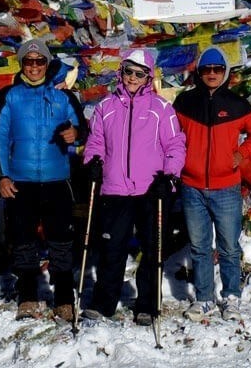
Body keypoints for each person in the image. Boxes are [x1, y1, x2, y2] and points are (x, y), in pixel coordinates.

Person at [81, 49, 187, 326]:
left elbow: (175, 145)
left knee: (152, 250)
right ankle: (104, 303)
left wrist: (170, 175)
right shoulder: (105, 107)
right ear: (121, 72)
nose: (132, 78)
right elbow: (96, 143)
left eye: (139, 73)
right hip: (114, 190)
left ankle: (146, 305)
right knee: (111, 248)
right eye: (128, 71)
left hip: (151, 190)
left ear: (148, 77)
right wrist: (93, 161)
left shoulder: (161, 109)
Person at [0, 39, 88, 322]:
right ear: (22, 64)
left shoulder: (62, 97)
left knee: (61, 242)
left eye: (39, 61)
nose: (34, 67)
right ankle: (28, 297)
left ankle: (65, 299)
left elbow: (83, 128)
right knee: (23, 243)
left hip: (57, 181)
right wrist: (2, 176)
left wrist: (75, 134)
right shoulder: (8, 96)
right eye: (29, 62)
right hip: (21, 181)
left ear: (46, 64)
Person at [174, 47, 251, 322]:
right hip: (192, 187)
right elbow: (171, 136)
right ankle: (204, 300)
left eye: (217, 69)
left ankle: (231, 297)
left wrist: (241, 154)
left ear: (225, 72)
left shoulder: (237, 104)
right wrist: (178, 161)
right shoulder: (184, 102)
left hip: (227, 188)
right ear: (199, 73)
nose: (212, 74)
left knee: (228, 246)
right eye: (206, 70)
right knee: (200, 247)